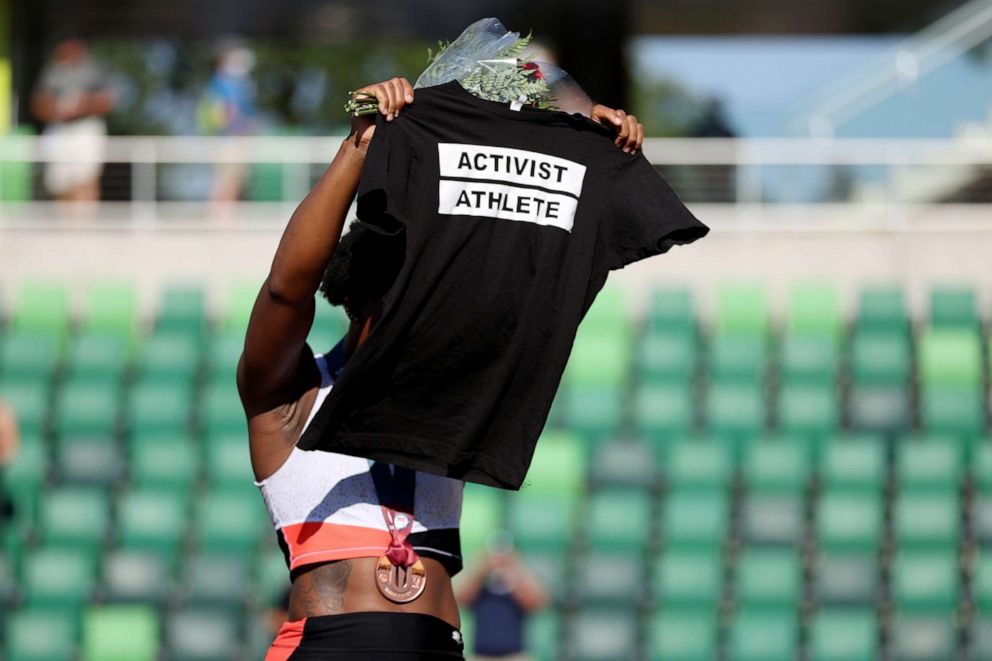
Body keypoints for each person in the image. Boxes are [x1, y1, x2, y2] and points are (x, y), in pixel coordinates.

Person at [239, 76, 644, 659]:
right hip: (327, 647)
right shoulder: (288, 398)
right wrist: (360, 146)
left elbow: (542, 287)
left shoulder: (453, 386)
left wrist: (594, 153)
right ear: (361, 300)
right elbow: (286, 290)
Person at [31, 35, 116, 203]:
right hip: (58, 130)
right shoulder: (52, 72)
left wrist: (82, 106)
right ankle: (64, 227)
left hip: (85, 130)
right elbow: (37, 104)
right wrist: (55, 109)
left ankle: (84, 226)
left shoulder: (94, 70)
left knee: (85, 180)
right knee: (59, 184)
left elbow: (108, 100)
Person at [456, 531, 549, 661]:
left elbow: (538, 603)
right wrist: (480, 571)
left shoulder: (518, 579)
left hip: (516, 655)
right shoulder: (480, 580)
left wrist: (516, 573)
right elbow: (461, 599)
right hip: (481, 655)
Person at [198, 41, 258, 204]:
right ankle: (222, 222)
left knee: (231, 183)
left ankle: (223, 219)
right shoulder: (224, 86)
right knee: (227, 183)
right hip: (229, 142)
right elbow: (226, 117)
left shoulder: (227, 85)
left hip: (230, 142)